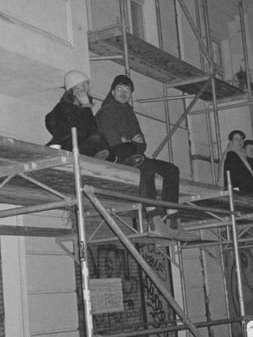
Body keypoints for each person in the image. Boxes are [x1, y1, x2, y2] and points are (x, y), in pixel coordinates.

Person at [96, 74, 193, 239]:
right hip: (117, 158)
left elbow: (142, 144)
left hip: (135, 156)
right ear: (112, 92)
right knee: (145, 165)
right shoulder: (106, 112)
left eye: (127, 90)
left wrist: (129, 142)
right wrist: (131, 142)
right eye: (120, 89)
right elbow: (114, 142)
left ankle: (174, 222)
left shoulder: (129, 113)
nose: (123, 93)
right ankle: (154, 220)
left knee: (172, 170)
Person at [45, 70, 115, 161]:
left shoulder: (83, 110)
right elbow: (82, 132)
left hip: (81, 148)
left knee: (108, 146)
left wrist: (86, 108)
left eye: (87, 84)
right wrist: (86, 106)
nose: (87, 88)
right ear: (73, 90)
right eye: (83, 85)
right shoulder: (63, 108)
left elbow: (93, 130)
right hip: (68, 149)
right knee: (97, 138)